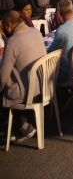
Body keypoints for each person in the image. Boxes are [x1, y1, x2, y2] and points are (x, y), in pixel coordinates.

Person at [0, 11, 46, 142]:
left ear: (8, 25)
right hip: (41, 87)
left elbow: (3, 77)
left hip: (26, 92)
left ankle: (18, 127)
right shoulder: (35, 32)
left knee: (4, 85)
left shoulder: (13, 41)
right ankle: (19, 126)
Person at [47, 0, 73, 83]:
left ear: (60, 13)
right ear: (72, 9)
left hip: (68, 73)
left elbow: (50, 53)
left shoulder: (62, 30)